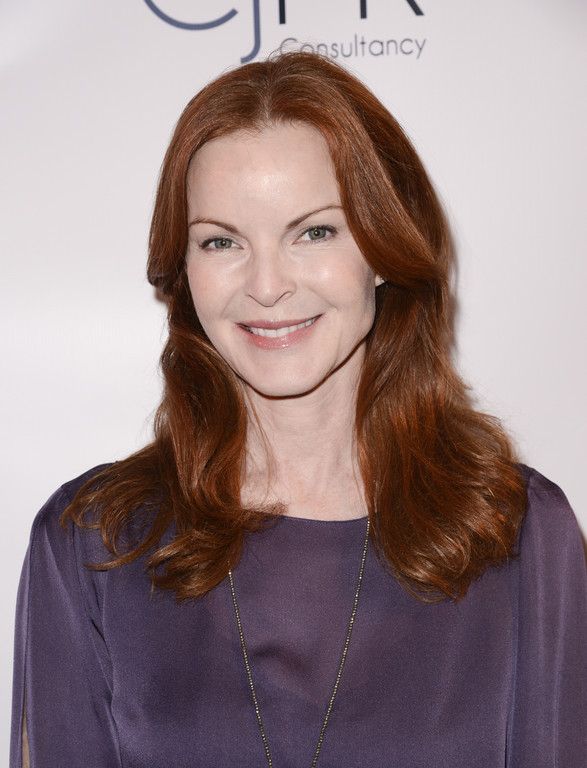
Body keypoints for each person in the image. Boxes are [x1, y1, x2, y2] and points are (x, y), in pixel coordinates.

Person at [10, 50, 586, 768]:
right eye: (221, 241)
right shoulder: (93, 544)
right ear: (183, 271)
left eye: (314, 232)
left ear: (381, 248)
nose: (267, 285)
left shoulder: (520, 536)